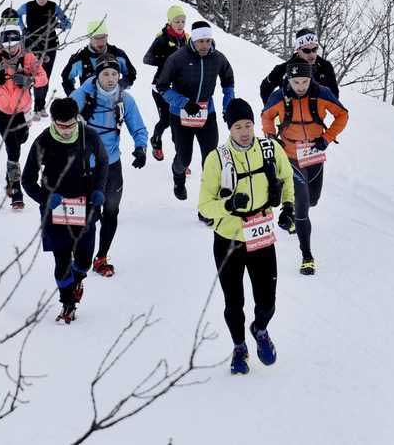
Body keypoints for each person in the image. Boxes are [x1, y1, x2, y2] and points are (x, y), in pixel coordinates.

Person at [198, 97, 295, 374]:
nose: (244, 131)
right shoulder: (217, 159)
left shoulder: (269, 148)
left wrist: (287, 206)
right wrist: (227, 206)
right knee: (234, 301)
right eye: (238, 126)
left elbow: (287, 178)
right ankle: (239, 347)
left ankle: (260, 329)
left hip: (261, 234)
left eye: (249, 124)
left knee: (268, 300)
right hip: (228, 238)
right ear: (229, 128)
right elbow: (204, 206)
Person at [21, 98, 109, 324]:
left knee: (83, 261)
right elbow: (28, 180)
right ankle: (67, 303)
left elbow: (102, 162)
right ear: (53, 122)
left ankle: (78, 278)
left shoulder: (88, 135)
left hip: (85, 204)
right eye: (62, 126)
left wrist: (99, 190)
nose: (68, 131)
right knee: (61, 262)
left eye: (71, 125)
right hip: (55, 207)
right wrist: (44, 198)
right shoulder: (43, 142)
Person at [262, 60, 349, 275]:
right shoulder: (279, 95)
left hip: (314, 154)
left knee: (313, 200)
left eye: (304, 81)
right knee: (303, 207)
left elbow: (342, 115)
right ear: (288, 80)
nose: (300, 86)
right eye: (296, 82)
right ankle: (307, 256)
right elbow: (266, 117)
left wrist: (327, 138)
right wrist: (273, 140)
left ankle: (292, 204)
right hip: (290, 155)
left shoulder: (321, 93)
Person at [70, 54, 148, 277]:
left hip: (112, 165)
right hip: (85, 166)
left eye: (115, 73)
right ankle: (80, 255)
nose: (111, 78)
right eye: (106, 73)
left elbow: (138, 127)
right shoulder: (82, 96)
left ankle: (102, 257)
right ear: (97, 75)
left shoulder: (125, 99)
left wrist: (141, 148)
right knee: (89, 216)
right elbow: (61, 120)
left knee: (112, 212)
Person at [156, 20, 235, 221]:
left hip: (207, 114)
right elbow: (162, 87)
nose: (204, 45)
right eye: (201, 41)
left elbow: (228, 83)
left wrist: (228, 106)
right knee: (185, 158)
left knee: (211, 161)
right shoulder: (177, 58)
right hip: (180, 115)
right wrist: (183, 102)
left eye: (208, 41)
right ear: (193, 39)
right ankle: (178, 176)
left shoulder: (218, 58)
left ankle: (206, 208)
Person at [0, 26, 48, 208]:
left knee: (21, 140)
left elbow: (43, 77)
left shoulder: (28, 57)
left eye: (14, 44)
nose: (10, 48)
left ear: (20, 42)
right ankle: (15, 189)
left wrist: (30, 80)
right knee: (13, 148)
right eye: (6, 45)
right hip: (1, 111)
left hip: (22, 111)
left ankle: (12, 172)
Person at [18, 0, 71, 118]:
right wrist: (23, 29)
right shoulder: (28, 6)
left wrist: (59, 24)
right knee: (33, 75)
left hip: (50, 45)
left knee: (45, 76)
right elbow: (16, 15)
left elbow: (67, 23)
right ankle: (31, 107)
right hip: (33, 45)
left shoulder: (53, 6)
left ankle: (41, 106)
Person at [142, 4, 188, 162]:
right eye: (177, 21)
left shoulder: (187, 39)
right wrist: (168, 60)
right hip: (160, 86)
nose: (180, 25)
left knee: (179, 122)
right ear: (170, 22)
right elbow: (147, 59)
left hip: (178, 87)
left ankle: (181, 159)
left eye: (183, 21)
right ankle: (156, 141)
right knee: (167, 120)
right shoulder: (162, 39)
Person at [259, 28, 340, 104]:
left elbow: (334, 95)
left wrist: (321, 107)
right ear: (297, 50)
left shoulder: (325, 66)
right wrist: (273, 111)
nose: (312, 55)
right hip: (288, 115)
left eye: (314, 49)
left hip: (315, 116)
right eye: (306, 51)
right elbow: (265, 88)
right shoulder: (283, 68)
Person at [60, 19, 136, 95]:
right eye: (96, 38)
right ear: (90, 38)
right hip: (89, 103)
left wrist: (119, 87)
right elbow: (66, 78)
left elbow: (131, 74)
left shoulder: (118, 54)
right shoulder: (80, 58)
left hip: (114, 101)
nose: (100, 42)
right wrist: (75, 97)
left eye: (103, 37)